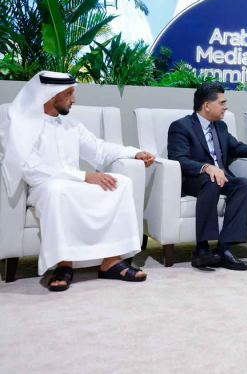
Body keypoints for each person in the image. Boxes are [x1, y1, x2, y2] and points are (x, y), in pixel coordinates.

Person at [0, 71, 156, 291]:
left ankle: (111, 262)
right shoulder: (21, 124)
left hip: (74, 183)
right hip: (45, 188)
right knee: (57, 190)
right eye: (69, 93)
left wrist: (134, 153)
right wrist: (84, 176)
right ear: (51, 94)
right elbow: (29, 169)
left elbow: (100, 150)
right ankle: (64, 265)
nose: (74, 99)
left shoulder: (71, 126)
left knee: (121, 183)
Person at [167, 82, 247, 271]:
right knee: (211, 182)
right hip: (195, 179)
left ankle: (224, 248)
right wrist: (207, 167)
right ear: (207, 105)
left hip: (221, 177)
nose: (226, 107)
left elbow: (236, 146)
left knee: (245, 184)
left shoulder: (221, 127)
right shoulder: (181, 126)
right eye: (222, 103)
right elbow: (178, 158)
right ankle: (202, 249)